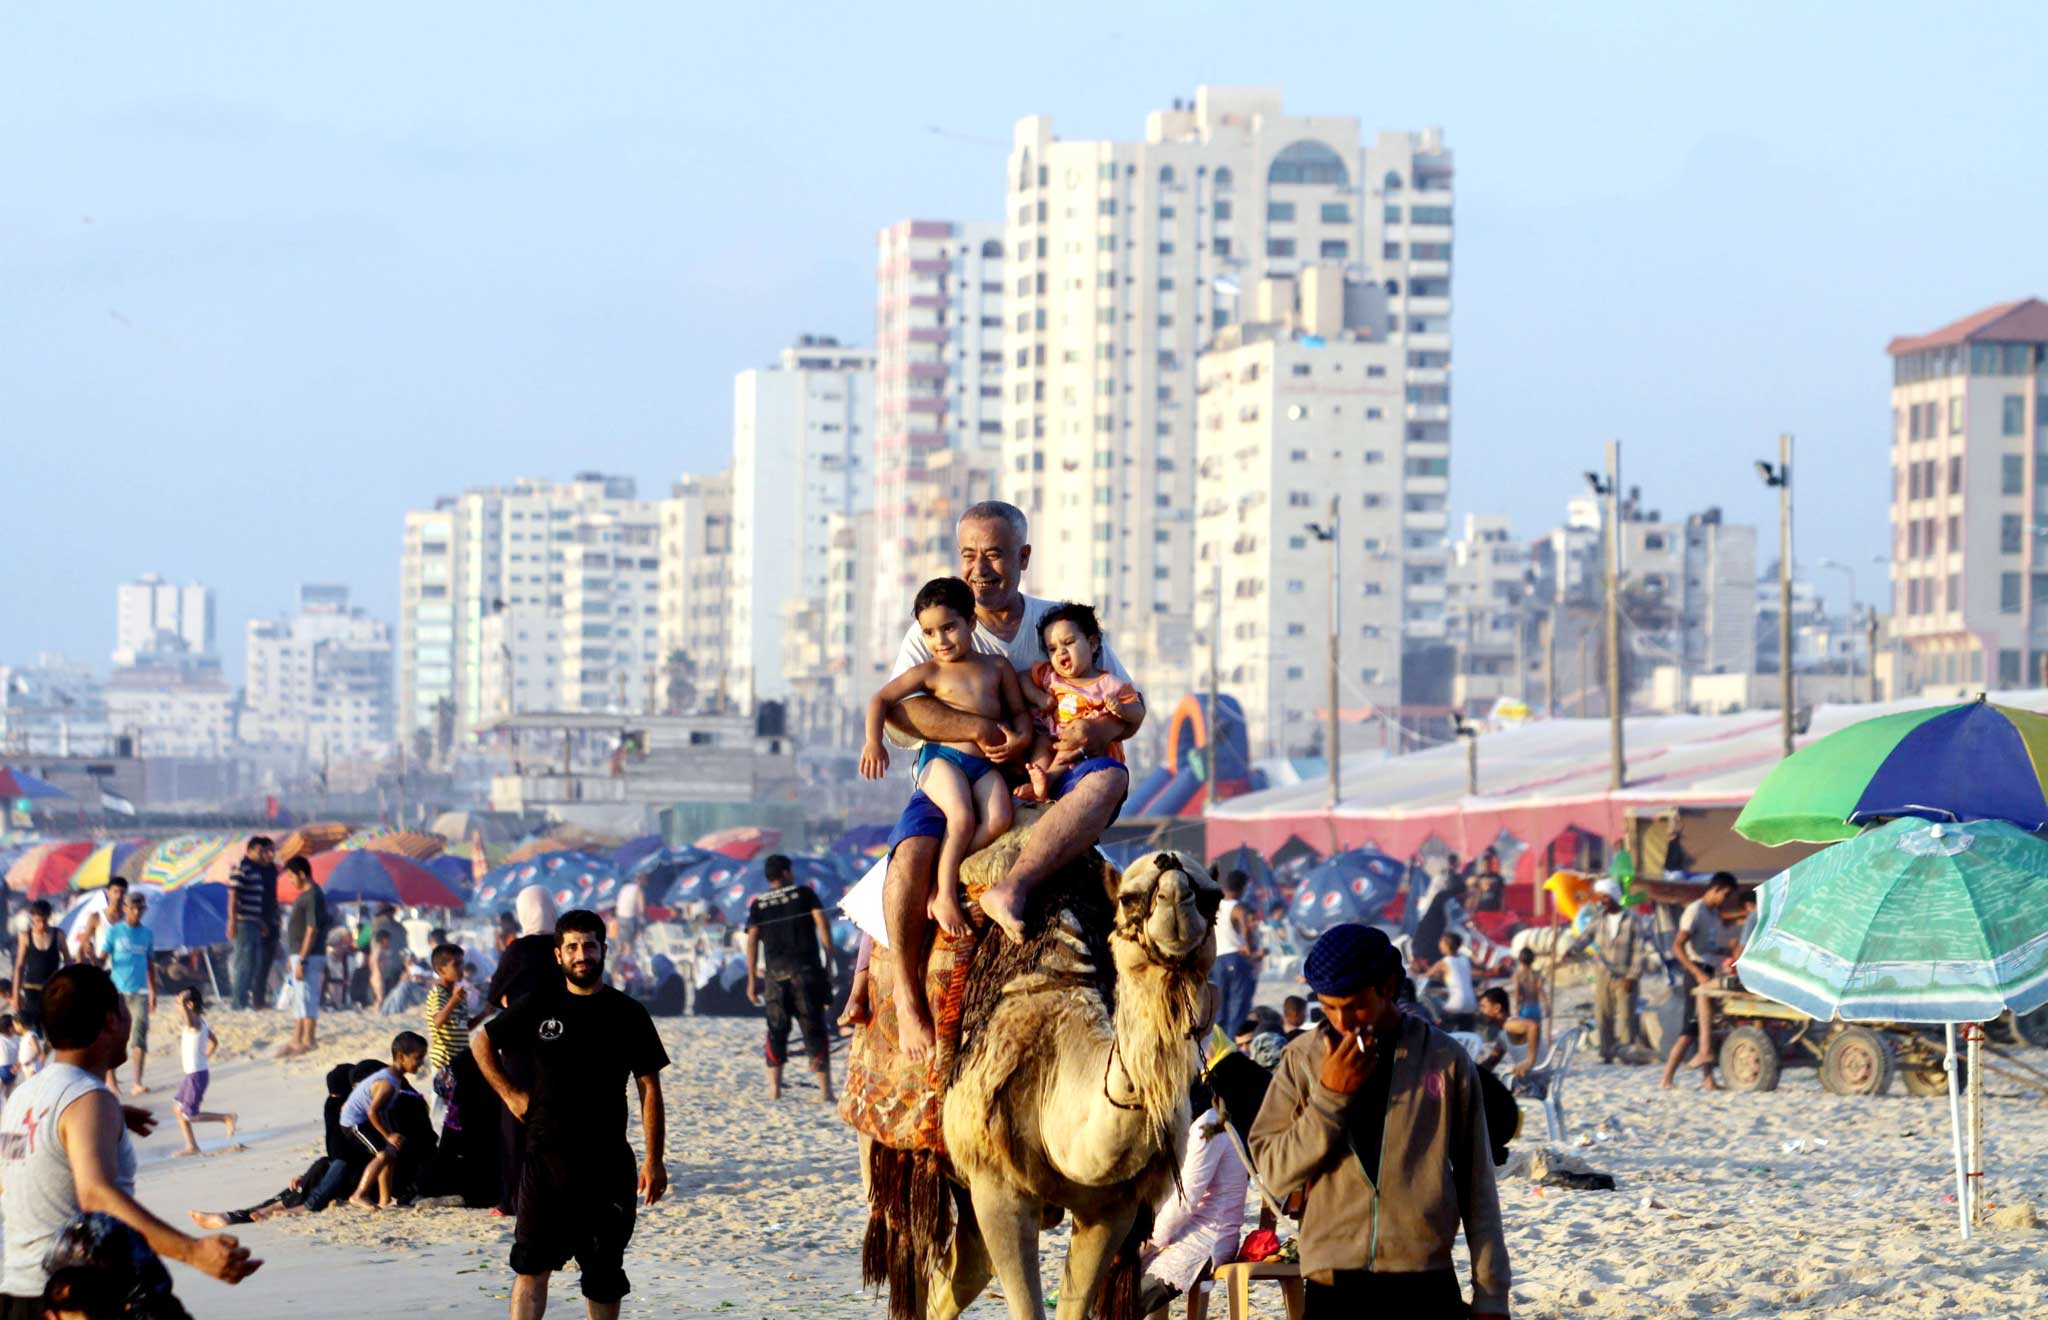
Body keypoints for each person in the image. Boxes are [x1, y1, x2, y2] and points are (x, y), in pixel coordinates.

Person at [876, 501, 1143, 1058]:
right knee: (909, 855)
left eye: (994, 555)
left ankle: (1014, 886)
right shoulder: (935, 627)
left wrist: (1096, 732)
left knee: (1110, 779)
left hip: (1052, 765)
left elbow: (1122, 699)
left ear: (1023, 557)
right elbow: (902, 714)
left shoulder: (1058, 624)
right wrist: (978, 727)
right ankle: (906, 994)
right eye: (969, 555)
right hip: (955, 768)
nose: (980, 569)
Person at [1249, 925, 1509, 1317]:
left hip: (1424, 1278)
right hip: (1333, 1282)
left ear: (1387, 987)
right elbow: (1273, 1173)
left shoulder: (1444, 1058)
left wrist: (1491, 1293)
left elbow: (1477, 1183)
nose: (1342, 1021)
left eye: (1354, 1005)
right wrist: (1330, 1097)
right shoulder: (1301, 1060)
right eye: (1328, 1007)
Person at [0, 965, 261, 1310]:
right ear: (111, 1021)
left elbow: (24, 1170)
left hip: (17, 1296)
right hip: (76, 1300)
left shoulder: (23, 1097)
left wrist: (107, 1119)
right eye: (125, 1010)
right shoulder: (88, 1101)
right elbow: (96, 1196)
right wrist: (193, 1251)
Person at [473, 909, 670, 1320]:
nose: (582, 955)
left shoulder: (627, 1012)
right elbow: (481, 1043)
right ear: (558, 954)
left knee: (603, 1274)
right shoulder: (538, 1004)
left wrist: (654, 1159)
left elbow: (649, 1087)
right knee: (531, 1265)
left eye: (590, 946)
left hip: (607, 1164)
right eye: (573, 947)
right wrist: (510, 1095)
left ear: (604, 950)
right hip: (544, 1159)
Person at [859, 576, 1032, 938]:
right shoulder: (931, 671)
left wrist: (1020, 739)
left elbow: (1019, 713)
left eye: (949, 628)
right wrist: (873, 743)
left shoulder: (997, 667)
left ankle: (943, 872)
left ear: (971, 622)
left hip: (982, 766)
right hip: (942, 761)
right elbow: (880, 700)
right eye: (930, 633)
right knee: (962, 817)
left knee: (999, 818)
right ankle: (944, 895)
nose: (941, 640)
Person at [189, 1064, 363, 1228]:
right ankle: (237, 1215)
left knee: (326, 1168)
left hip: (357, 1178)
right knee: (316, 1171)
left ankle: (243, 1215)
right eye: (332, 1096)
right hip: (340, 1170)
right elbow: (336, 1150)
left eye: (337, 1096)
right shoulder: (338, 1107)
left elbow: (348, 1154)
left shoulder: (360, 1113)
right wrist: (306, 1176)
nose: (334, 1101)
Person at [482, 887, 566, 1218]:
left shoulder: (519, 949)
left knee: (514, 1122)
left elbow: (494, 994)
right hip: (558, 1039)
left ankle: (511, 1200)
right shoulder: (563, 945)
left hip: (518, 1042)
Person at [1014, 602, 1142, 804]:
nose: (1061, 652)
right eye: (1052, 649)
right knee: (1042, 742)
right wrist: (1039, 697)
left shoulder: (1109, 684)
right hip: (1054, 741)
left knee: (1076, 733)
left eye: (1069, 642)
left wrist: (1122, 709)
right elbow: (1022, 678)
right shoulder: (1050, 676)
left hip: (1089, 752)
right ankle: (1039, 778)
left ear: (1092, 644)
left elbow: (1138, 710)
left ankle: (1048, 779)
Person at [1139, 1089, 1250, 1316]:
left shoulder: (1208, 1127)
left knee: (1126, 1302)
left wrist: (1153, 1241)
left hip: (1206, 1240)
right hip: (1186, 1233)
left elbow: (1185, 1199)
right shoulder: (1203, 1123)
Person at [744, 855, 837, 1103]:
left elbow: (752, 941)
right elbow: (822, 924)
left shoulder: (758, 904)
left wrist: (751, 980)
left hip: (774, 976)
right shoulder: (804, 893)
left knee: (776, 1031)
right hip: (805, 972)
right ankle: (825, 1092)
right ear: (785, 872)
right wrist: (829, 961)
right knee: (814, 1028)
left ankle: (774, 1091)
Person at [1664, 872, 1740, 1092]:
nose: (1726, 900)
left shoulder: (1713, 913)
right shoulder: (1695, 911)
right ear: (1715, 889)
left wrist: (1727, 953)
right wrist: (1697, 973)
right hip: (1696, 973)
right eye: (1725, 894)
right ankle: (1666, 1078)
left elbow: (1708, 946)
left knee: (1705, 1027)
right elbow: (1678, 946)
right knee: (1689, 1030)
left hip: (1709, 970)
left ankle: (1708, 1080)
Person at [1567, 878, 1655, 1064]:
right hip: (1603, 973)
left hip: (1626, 974)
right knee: (1603, 1014)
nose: (1602, 901)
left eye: (1605, 897)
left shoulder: (1633, 920)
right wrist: (1572, 951)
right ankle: (1606, 1053)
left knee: (1626, 1016)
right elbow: (1585, 938)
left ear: (1614, 897)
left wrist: (1632, 976)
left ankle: (1626, 1053)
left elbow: (1639, 950)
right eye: (1601, 897)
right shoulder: (1598, 918)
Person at [342, 1031, 428, 1210]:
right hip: (354, 1123)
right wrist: (388, 1135)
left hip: (364, 1120)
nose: (421, 1063)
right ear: (401, 1057)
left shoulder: (395, 1078)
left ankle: (384, 1200)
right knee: (382, 1155)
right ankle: (359, 1194)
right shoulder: (387, 1083)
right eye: (418, 1058)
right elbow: (372, 1111)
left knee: (390, 1153)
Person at [102, 893, 156, 1097]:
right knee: (113, 1036)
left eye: (140, 909)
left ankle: (137, 1082)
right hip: (117, 991)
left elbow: (150, 964)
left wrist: (153, 991)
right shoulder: (114, 932)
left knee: (139, 1034)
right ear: (125, 908)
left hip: (140, 992)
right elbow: (102, 958)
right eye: (132, 908)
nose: (136, 912)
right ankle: (111, 1082)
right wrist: (90, 957)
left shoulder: (147, 934)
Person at [171, 988, 236, 1156]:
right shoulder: (200, 1021)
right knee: (178, 1109)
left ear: (189, 1005)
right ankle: (191, 1146)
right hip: (193, 1074)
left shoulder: (193, 1023)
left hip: (196, 1075)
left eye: (179, 1003)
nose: (177, 1006)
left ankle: (226, 1118)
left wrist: (183, 1001)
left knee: (189, 1115)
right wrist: (206, 1055)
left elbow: (186, 1014)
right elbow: (214, 1041)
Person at [279, 857, 330, 1058]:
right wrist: (294, 956)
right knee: (299, 998)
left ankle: (309, 1039)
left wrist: (302, 959)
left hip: (310, 955)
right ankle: (297, 1038)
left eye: (291, 876)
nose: (290, 880)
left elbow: (312, 929)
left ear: (301, 874)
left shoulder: (313, 895)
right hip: (300, 954)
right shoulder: (307, 895)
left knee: (307, 997)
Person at [226, 836, 278, 1011]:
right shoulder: (243, 868)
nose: (263, 855)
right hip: (243, 922)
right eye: (260, 851)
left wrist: (261, 922)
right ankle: (238, 1002)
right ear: (249, 851)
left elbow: (255, 902)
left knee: (254, 963)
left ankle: (243, 999)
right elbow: (233, 896)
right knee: (244, 962)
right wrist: (232, 921)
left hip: (254, 922)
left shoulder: (257, 871)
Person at [424, 944, 471, 1132]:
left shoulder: (457, 995)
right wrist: (453, 1000)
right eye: (456, 965)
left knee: (455, 1105)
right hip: (444, 1061)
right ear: (441, 969)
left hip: (459, 1060)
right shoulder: (439, 994)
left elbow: (463, 1026)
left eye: (462, 964)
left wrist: (485, 1013)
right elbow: (438, 1020)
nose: (461, 969)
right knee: (439, 1108)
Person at [1212, 871, 1261, 1046]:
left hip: (1218, 959)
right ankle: (1233, 1043)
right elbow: (1246, 928)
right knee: (1239, 1006)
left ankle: (1218, 1044)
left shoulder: (1215, 905)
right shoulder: (1238, 907)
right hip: (1235, 956)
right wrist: (1249, 946)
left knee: (1221, 1007)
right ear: (1243, 887)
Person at [10, 900, 63, 1033]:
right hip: (32, 989)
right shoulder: (25, 936)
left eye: (45, 921)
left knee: (54, 1028)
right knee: (34, 1029)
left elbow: (69, 964)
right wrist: (16, 995)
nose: (42, 925)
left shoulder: (58, 935)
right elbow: (19, 966)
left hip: (53, 990)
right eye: (38, 921)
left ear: (49, 916)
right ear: (32, 917)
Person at [1475, 988, 1542, 1081]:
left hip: (1537, 1079)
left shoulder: (1509, 1025)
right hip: (1536, 1077)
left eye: (1483, 1007)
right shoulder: (1504, 1032)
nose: (1480, 1011)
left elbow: (1533, 1026)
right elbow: (1492, 1061)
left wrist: (1529, 1061)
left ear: (1497, 1008)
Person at [1418, 931, 1478, 1033]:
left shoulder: (1444, 962)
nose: (1440, 946)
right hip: (1471, 1004)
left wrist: (1418, 970)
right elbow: (1455, 976)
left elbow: (1425, 976)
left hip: (1456, 1005)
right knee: (1466, 1034)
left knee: (1442, 1029)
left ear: (1447, 945)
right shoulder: (1465, 959)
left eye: (1441, 943)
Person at [1510, 947, 1546, 1023]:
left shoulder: (1517, 975)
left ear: (1520, 959)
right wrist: (1546, 1005)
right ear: (1533, 959)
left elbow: (1517, 991)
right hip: (1536, 1008)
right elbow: (1540, 990)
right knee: (1536, 1029)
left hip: (1524, 1008)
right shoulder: (1536, 974)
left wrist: (1515, 1009)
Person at [613, 879, 645, 955]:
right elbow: (641, 908)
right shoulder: (638, 889)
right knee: (629, 942)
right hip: (628, 917)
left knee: (621, 940)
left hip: (619, 915)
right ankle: (627, 956)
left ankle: (617, 956)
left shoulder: (623, 887)